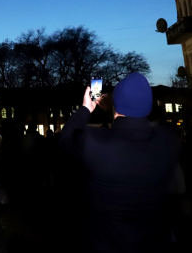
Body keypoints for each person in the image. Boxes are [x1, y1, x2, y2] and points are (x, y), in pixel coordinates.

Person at [59, 72, 181, 253]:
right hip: (155, 244)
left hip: (106, 245)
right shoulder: (169, 141)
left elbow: (65, 140)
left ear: (116, 108)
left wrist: (86, 108)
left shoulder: (94, 142)